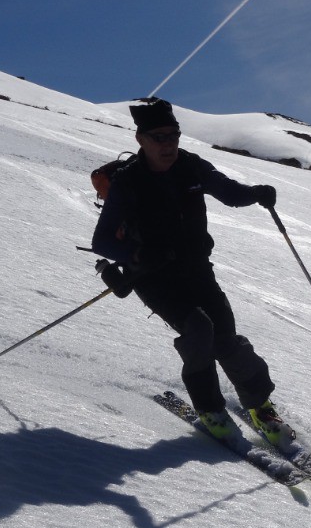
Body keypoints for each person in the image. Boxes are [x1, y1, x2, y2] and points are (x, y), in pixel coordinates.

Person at [92, 97, 292, 447]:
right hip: (151, 274)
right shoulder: (128, 181)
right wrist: (138, 252)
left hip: (197, 269)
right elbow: (103, 240)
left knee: (226, 339)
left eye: (173, 135)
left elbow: (228, 192)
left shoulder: (191, 166)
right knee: (199, 330)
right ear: (140, 139)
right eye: (158, 137)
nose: (168, 144)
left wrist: (257, 193)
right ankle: (210, 409)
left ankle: (260, 406)